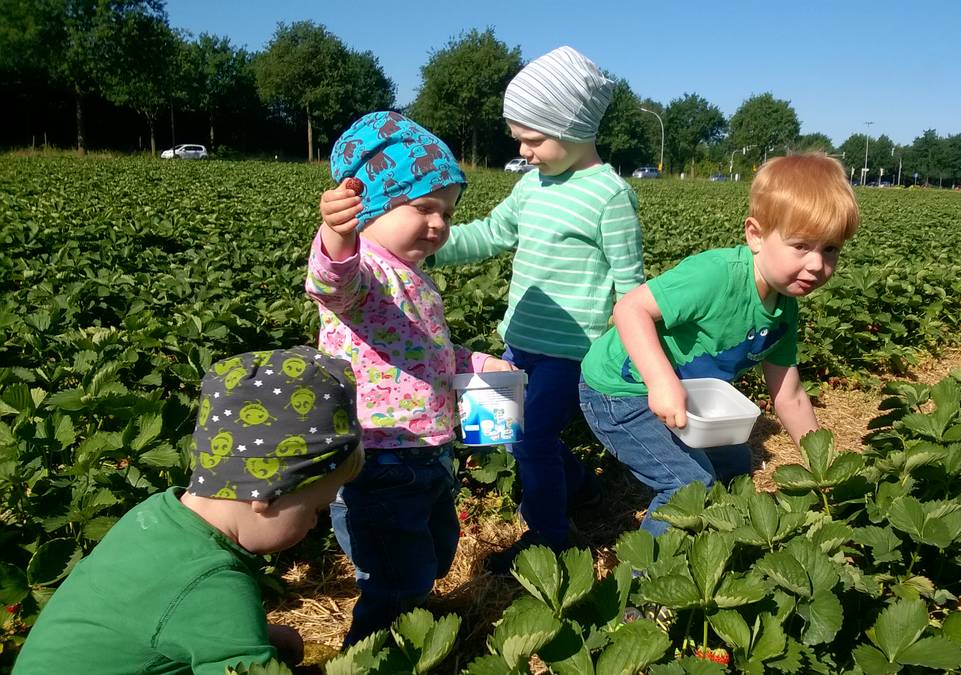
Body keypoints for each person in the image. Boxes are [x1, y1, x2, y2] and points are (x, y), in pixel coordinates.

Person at [425, 46, 645, 571]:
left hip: (570, 352)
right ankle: (582, 489)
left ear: (572, 126)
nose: (523, 151)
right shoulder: (532, 184)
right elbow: (491, 234)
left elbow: (630, 283)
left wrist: (629, 352)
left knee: (529, 438)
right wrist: (426, 243)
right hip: (518, 338)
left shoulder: (610, 196)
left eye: (533, 138)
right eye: (519, 139)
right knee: (500, 431)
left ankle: (549, 535)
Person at [13, 346, 365, 674]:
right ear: (269, 491)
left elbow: (157, 610)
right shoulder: (210, 582)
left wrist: (257, 634)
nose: (315, 525)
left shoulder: (155, 517)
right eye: (316, 509)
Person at [309, 111, 512, 646]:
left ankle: (413, 605)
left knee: (437, 549)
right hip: (380, 458)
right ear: (369, 204)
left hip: (428, 450)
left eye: (446, 211)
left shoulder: (413, 274)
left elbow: (425, 349)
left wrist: (475, 364)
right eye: (423, 207)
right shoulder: (364, 270)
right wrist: (335, 235)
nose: (440, 223)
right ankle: (375, 653)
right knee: (398, 576)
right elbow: (332, 284)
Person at [578, 153, 859, 535]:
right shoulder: (716, 276)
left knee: (733, 467)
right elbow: (628, 309)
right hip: (619, 390)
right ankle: (645, 587)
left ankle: (719, 543)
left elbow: (789, 396)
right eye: (801, 246)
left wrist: (823, 468)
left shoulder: (784, 309)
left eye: (830, 249)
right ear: (755, 235)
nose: (816, 265)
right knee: (689, 485)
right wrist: (662, 383)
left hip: (683, 394)